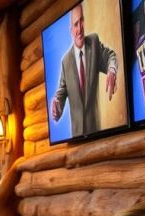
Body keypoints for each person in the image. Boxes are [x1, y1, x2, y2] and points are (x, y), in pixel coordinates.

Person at [50, 3, 119, 137]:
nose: (80, 28)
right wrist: (56, 109)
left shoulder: (93, 42)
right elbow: (60, 96)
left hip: (98, 133)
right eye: (76, 24)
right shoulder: (66, 62)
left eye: (81, 21)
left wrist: (112, 70)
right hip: (77, 140)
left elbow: (111, 56)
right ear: (71, 30)